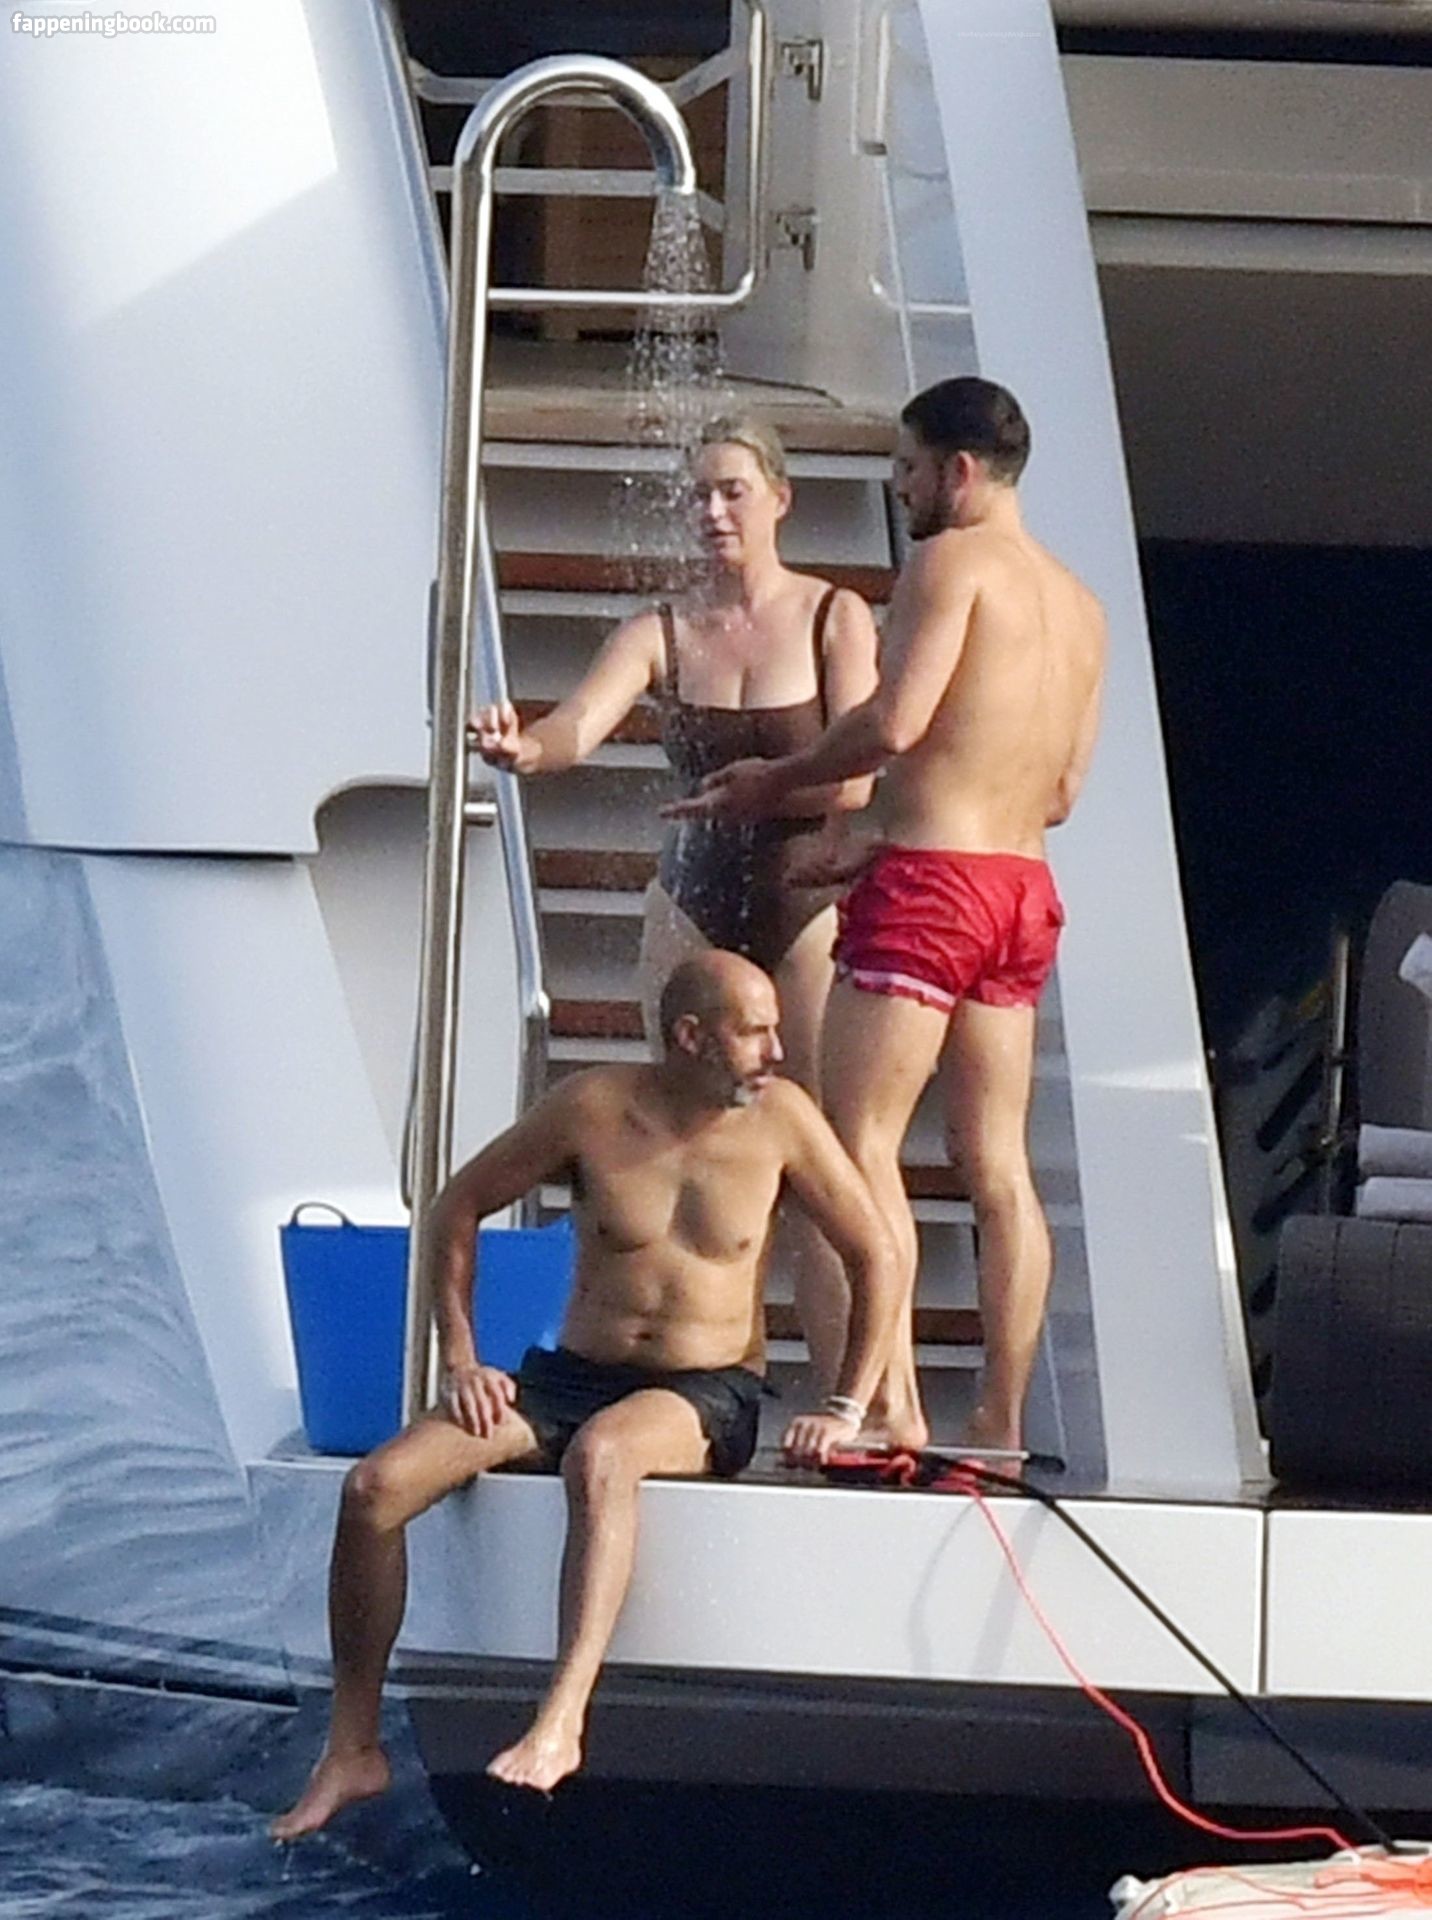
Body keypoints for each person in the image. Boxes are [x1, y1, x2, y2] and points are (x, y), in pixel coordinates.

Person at [271, 951, 899, 1838]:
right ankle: (353, 1748)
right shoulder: (593, 1108)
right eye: (755, 1032)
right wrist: (463, 1358)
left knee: (605, 1456)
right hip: (567, 1377)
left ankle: (562, 1717)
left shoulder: (784, 1121)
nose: (777, 1050)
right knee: (374, 1489)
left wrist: (845, 1409)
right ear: (691, 1037)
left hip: (706, 1389)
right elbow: (456, 1205)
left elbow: (877, 1254)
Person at [665, 377, 1107, 1456]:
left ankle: (891, 1405)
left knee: (857, 1141)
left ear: (958, 471)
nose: (899, 488)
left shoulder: (949, 564)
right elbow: (1058, 793)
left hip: (933, 892)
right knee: (997, 1166)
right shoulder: (1079, 603)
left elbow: (894, 722)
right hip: (1020, 890)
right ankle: (999, 1419)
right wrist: (892, 836)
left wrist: (778, 780)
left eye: (906, 468)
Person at [473, 422, 881, 1389]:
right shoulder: (660, 629)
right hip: (693, 900)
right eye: (698, 494)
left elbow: (860, 774)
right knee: (686, 1130)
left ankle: (845, 1394)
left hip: (801, 900)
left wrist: (766, 790)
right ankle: (702, 1369)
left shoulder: (833, 616)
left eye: (732, 491)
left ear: (780, 498)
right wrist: (525, 749)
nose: (713, 511)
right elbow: (579, 724)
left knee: (811, 1149)